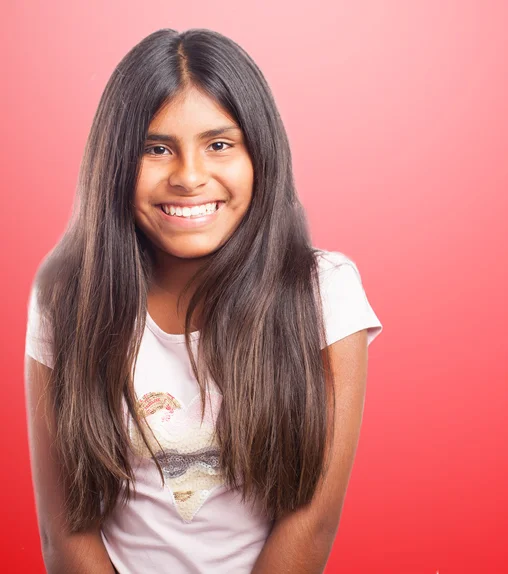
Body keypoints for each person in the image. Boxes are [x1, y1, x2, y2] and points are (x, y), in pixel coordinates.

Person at [24, 28, 382, 574]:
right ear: (116, 162)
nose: (189, 177)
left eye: (219, 145)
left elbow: (311, 524)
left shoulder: (325, 292)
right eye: (155, 148)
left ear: (260, 154)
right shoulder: (65, 299)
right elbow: (64, 530)